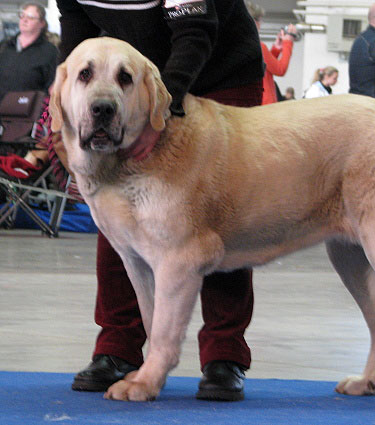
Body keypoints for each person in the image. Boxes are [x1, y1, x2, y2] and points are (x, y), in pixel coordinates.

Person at [56, 0, 264, 402]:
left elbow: (195, 32)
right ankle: (118, 348)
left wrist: (160, 113)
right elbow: (77, 38)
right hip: (128, 79)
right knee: (114, 212)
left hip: (218, 68)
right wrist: (65, 114)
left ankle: (224, 356)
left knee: (214, 215)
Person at [0, 3, 58, 103]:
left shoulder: (50, 51)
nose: (24, 20)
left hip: (30, 113)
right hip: (2, 111)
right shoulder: (4, 46)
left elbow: (52, 87)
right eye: (22, 16)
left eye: (30, 17)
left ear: (42, 23)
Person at [246, 2, 296, 105]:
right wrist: (288, 42)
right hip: (265, 103)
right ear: (253, 22)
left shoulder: (243, 44)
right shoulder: (259, 46)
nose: (260, 24)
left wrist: (277, 48)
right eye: (259, 20)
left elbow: (266, 68)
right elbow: (280, 69)